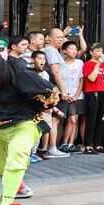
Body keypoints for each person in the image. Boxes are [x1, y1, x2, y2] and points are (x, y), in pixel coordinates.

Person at [0, 27, 59, 205]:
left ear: (6, 52)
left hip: (24, 124)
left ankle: (7, 204)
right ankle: (18, 184)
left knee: (17, 156)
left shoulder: (16, 70)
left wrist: (48, 103)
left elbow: (48, 89)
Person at [42, 28, 69, 157]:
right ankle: (52, 147)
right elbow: (55, 71)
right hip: (55, 90)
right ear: (49, 38)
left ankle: (50, 147)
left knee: (54, 119)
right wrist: (63, 90)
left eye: (62, 37)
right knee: (55, 119)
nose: (61, 40)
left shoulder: (53, 51)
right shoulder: (51, 51)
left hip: (54, 89)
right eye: (58, 37)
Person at [58, 40, 85, 153]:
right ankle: (63, 143)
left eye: (75, 49)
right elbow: (57, 79)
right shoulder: (60, 63)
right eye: (71, 49)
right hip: (64, 95)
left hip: (77, 95)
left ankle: (70, 144)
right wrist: (64, 93)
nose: (74, 51)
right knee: (67, 120)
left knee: (74, 120)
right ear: (64, 51)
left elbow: (81, 81)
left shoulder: (79, 63)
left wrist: (76, 95)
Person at [82, 43, 104, 153]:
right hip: (92, 92)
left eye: (100, 51)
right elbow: (91, 78)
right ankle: (88, 145)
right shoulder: (88, 64)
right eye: (97, 51)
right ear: (91, 52)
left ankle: (98, 144)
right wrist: (97, 65)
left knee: (101, 118)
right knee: (91, 118)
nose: (100, 53)